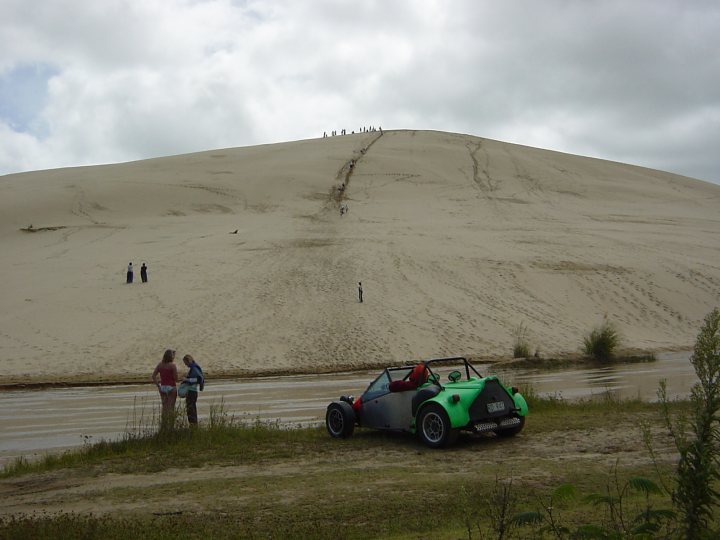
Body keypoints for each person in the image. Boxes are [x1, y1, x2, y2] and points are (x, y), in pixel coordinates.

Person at [151, 349, 178, 419]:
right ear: (171, 357)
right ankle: (171, 426)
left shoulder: (160, 364)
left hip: (162, 387)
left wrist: (158, 386)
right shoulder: (173, 366)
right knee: (171, 407)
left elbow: (153, 376)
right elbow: (176, 378)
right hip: (171, 387)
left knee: (164, 408)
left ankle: (164, 425)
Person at [181, 354, 205, 425]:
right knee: (192, 409)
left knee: (191, 409)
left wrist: (187, 380)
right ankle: (193, 425)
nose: (186, 365)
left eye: (186, 363)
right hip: (192, 391)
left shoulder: (194, 368)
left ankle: (193, 425)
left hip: (192, 392)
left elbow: (198, 379)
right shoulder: (194, 368)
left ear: (188, 361)